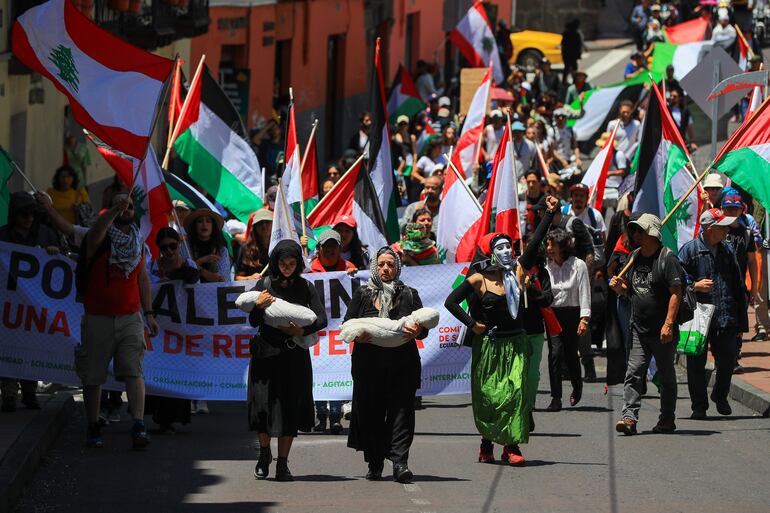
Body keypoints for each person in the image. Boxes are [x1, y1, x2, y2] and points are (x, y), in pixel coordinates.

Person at [445, 195, 560, 466]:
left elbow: (534, 243)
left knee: (515, 396)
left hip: (516, 344)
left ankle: (511, 446)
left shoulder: (518, 271)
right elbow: (451, 302)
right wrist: (472, 324)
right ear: (490, 252)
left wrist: (549, 212)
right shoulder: (477, 278)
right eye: (501, 247)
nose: (508, 251)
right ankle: (487, 442)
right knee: (490, 397)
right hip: (489, 347)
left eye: (510, 246)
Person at [76, 193, 160, 449]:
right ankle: (93, 426)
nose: (126, 209)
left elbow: (142, 279)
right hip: (98, 318)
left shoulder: (138, 242)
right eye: (121, 206)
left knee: (134, 371)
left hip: (130, 317)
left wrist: (149, 314)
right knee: (93, 376)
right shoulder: (99, 239)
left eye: (129, 207)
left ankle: (138, 425)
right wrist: (113, 209)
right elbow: (98, 230)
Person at [345, 247, 430, 482]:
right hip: (368, 367)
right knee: (371, 414)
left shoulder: (409, 294)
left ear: (397, 267)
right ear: (374, 266)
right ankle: (375, 462)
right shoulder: (362, 294)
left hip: (403, 366)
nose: (386, 269)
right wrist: (357, 335)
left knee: (401, 414)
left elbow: (423, 330)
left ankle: (400, 462)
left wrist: (419, 330)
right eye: (381, 264)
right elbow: (347, 325)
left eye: (390, 264)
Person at [249, 240, 328, 481]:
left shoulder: (305, 287)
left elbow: (322, 319)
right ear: (275, 263)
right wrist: (258, 306)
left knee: (289, 411)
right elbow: (253, 321)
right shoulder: (264, 285)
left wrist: (301, 332)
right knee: (262, 408)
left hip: (293, 356)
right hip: (265, 355)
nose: (286, 267)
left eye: (292, 264)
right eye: (282, 263)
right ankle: (264, 454)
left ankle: (282, 463)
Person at [610, 214, 683, 435]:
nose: (635, 234)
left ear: (652, 232)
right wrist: (619, 288)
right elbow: (630, 292)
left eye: (640, 230)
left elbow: (676, 293)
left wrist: (668, 324)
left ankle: (667, 419)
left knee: (666, 375)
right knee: (633, 373)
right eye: (634, 230)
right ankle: (629, 417)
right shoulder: (634, 257)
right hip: (638, 329)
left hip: (662, 332)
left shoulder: (667, 258)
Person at [679, 209, 749, 419]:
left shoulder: (728, 251)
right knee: (696, 364)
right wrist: (694, 286)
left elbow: (738, 286)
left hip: (726, 316)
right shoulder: (689, 251)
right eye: (723, 226)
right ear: (710, 230)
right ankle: (699, 406)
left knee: (728, 359)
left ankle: (720, 395)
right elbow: (676, 282)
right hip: (697, 317)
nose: (727, 229)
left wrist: (741, 325)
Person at [0, 192, 60, 412]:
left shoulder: (45, 235)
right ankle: (8, 392)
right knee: (7, 346)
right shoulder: (3, 237)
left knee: (31, 345)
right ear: (14, 215)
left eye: (32, 214)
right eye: (23, 214)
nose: (29, 218)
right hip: (8, 303)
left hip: (35, 304)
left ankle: (29, 391)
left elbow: (61, 265)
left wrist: (53, 254)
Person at [145, 227, 198, 434]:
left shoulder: (189, 265)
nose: (169, 251)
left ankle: (174, 416)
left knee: (178, 368)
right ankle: (160, 417)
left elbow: (197, 288)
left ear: (179, 245)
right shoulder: (151, 267)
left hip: (181, 326)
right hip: (160, 326)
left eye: (173, 246)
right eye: (164, 247)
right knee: (160, 367)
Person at [544, 228, 591, 411]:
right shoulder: (546, 267)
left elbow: (584, 292)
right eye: (547, 244)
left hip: (573, 314)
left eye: (552, 244)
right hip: (553, 315)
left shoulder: (578, 265)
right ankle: (556, 397)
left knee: (571, 354)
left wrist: (584, 318)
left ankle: (577, 386)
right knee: (555, 354)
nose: (549, 248)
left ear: (562, 246)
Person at [184, 208, 231, 284]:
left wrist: (198, 268)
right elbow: (184, 272)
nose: (204, 224)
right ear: (194, 226)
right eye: (200, 221)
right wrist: (202, 260)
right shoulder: (185, 247)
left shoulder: (221, 250)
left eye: (208, 221)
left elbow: (221, 279)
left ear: (213, 226)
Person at [235, 210, 273, 280]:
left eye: (267, 222)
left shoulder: (279, 248)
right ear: (255, 227)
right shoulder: (245, 249)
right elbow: (237, 278)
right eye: (260, 223)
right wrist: (250, 278)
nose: (264, 226)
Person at [668, 87, 696, 151]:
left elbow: (690, 127)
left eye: (674, 96)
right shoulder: (667, 110)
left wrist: (692, 142)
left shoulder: (685, 111)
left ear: (680, 98)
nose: (672, 98)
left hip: (681, 141)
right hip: (669, 143)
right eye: (671, 96)